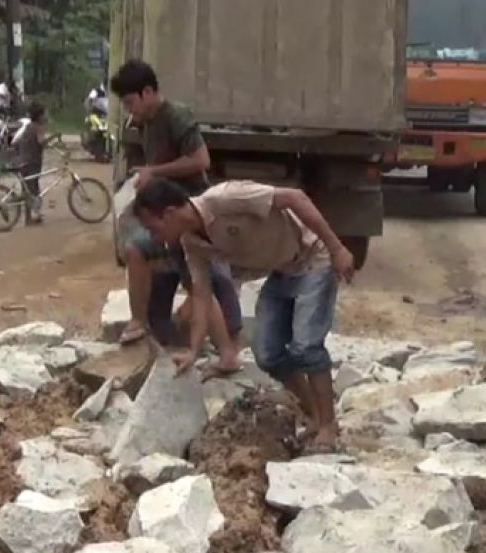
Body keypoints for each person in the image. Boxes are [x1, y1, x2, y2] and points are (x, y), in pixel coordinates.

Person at [134, 178, 355, 451]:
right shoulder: (191, 243)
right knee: (267, 354)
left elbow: (295, 197)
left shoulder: (226, 198)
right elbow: (202, 295)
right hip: (281, 271)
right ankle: (314, 415)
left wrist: (337, 248)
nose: (154, 237)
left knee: (306, 346)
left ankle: (328, 426)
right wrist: (192, 351)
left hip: (314, 258)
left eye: (152, 228)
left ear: (168, 214)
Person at [109, 59, 242, 374]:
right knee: (135, 249)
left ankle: (228, 349)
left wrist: (155, 172)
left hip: (189, 214)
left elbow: (201, 160)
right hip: (162, 218)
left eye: (130, 102)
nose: (129, 110)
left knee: (205, 284)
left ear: (148, 92)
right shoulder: (145, 123)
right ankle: (139, 321)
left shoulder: (176, 116)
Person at [12, 100, 47, 225]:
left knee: (28, 189)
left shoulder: (28, 126)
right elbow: (41, 142)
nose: (46, 116)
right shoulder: (38, 128)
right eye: (44, 114)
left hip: (23, 160)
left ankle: (30, 217)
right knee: (32, 189)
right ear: (39, 115)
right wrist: (51, 140)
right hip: (32, 162)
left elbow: (15, 142)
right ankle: (32, 216)